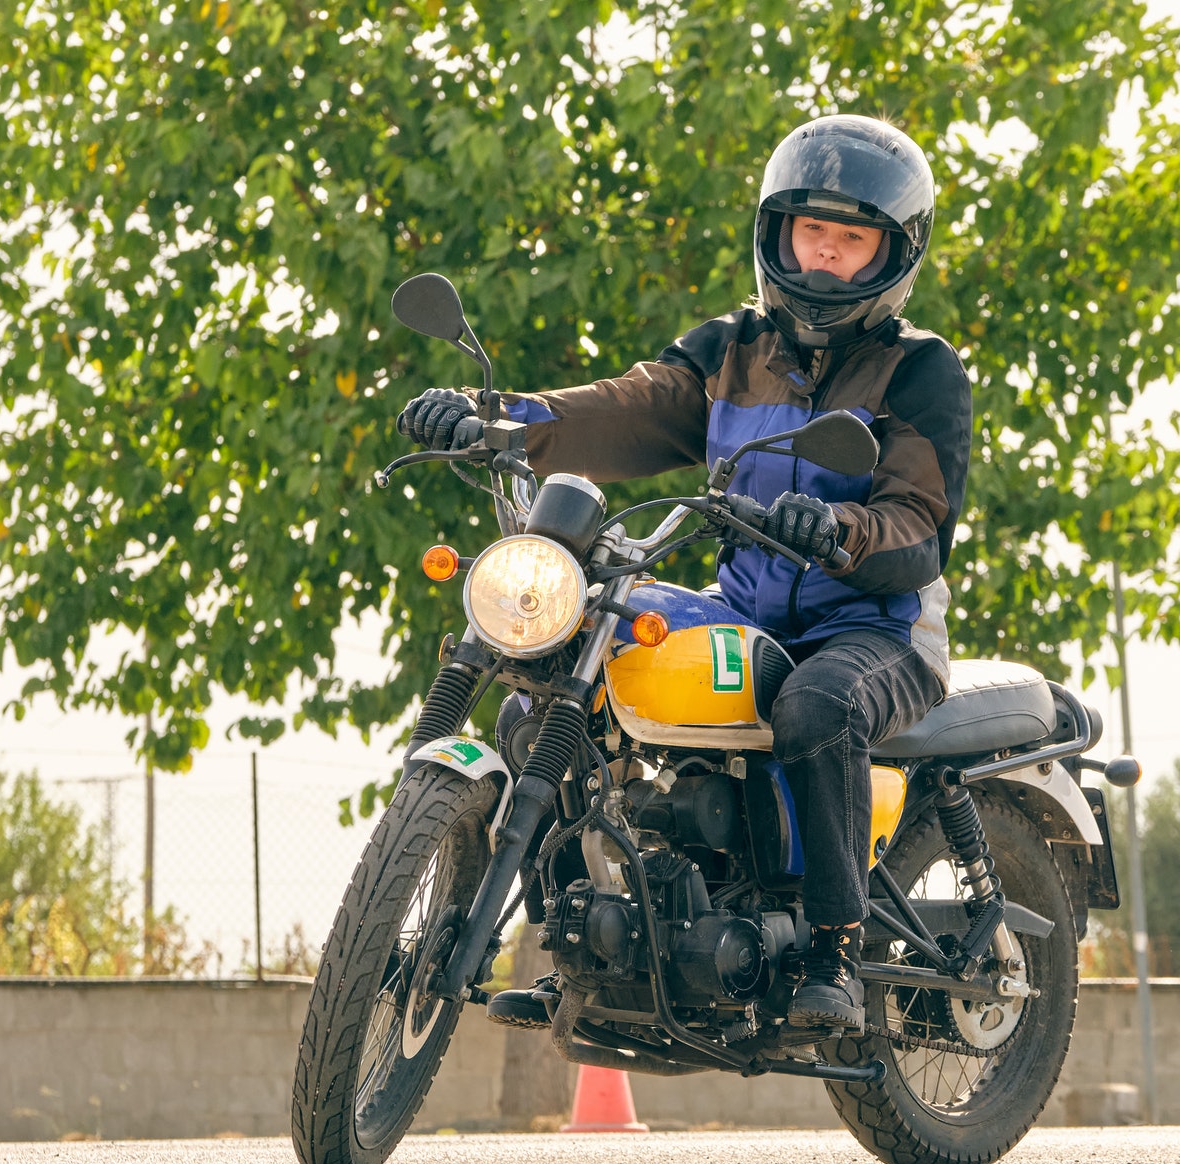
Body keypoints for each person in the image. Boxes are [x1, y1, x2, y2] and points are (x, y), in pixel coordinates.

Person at [397, 114, 970, 1032]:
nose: (822, 256)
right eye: (809, 231)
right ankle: (576, 947)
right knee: (553, 691)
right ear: (776, 233)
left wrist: (836, 529)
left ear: (892, 253)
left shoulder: (921, 371)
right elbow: (625, 406)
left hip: (877, 629)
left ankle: (835, 947)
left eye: (849, 238)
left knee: (817, 709)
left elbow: (916, 525)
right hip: (748, 617)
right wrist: (496, 418)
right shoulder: (728, 348)